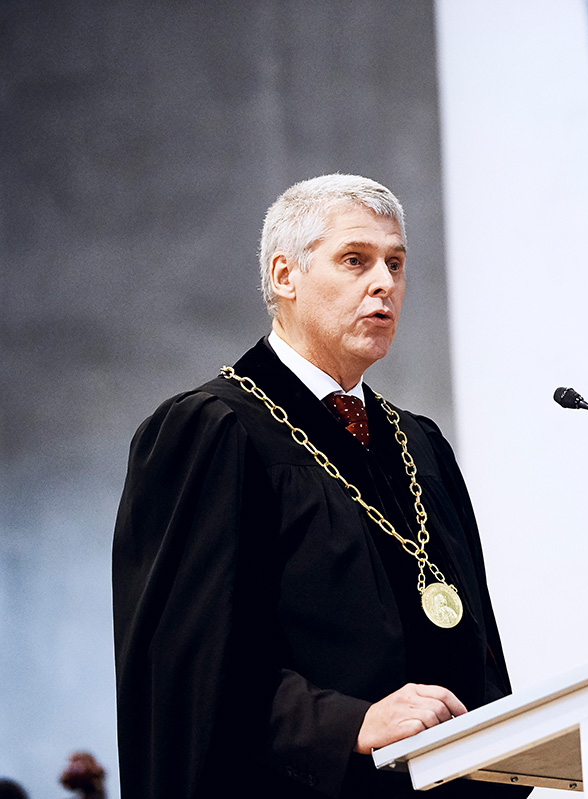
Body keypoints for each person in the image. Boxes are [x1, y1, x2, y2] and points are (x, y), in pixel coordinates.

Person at [113, 175, 527, 799]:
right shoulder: (213, 430)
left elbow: (481, 656)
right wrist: (351, 723)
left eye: (395, 264)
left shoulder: (421, 446)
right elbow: (186, 668)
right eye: (355, 260)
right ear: (285, 277)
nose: (384, 283)